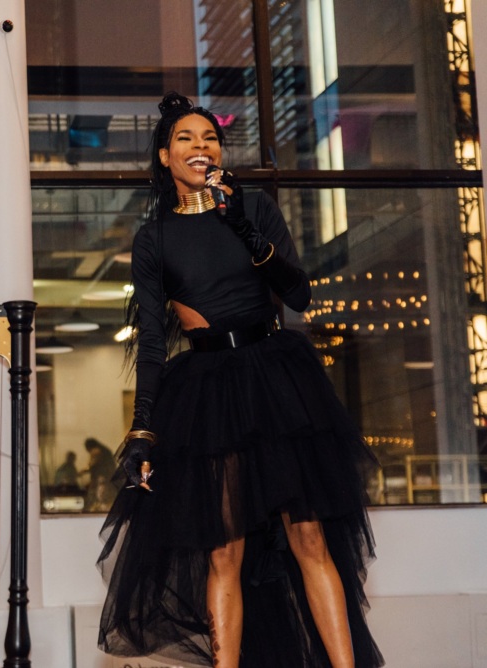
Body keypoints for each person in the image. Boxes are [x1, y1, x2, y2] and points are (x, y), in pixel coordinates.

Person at [96, 93, 384, 667]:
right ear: (164, 156)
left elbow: (298, 294)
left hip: (276, 377)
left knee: (310, 539)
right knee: (223, 552)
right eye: (185, 138)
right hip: (208, 390)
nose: (200, 146)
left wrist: (246, 232)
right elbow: (153, 341)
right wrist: (143, 429)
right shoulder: (153, 238)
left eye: (210, 137)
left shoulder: (252, 208)